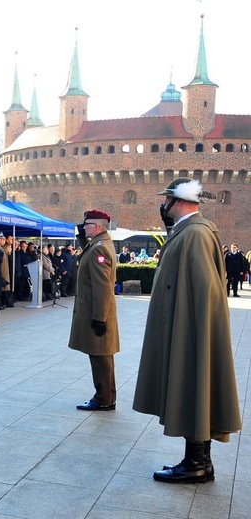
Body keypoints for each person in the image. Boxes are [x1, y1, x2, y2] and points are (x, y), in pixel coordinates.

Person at [133, 178, 241, 484]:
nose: (163, 206)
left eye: (166, 201)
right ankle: (198, 461)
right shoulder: (189, 231)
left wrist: (191, 332)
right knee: (196, 390)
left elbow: (203, 289)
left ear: (178, 201)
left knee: (196, 388)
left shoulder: (194, 233)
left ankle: (196, 463)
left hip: (192, 330)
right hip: (190, 327)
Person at [68, 210, 120, 412]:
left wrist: (99, 317)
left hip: (97, 312)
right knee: (102, 356)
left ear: (97, 226)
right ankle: (107, 397)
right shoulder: (100, 244)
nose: (84, 226)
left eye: (86, 224)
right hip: (99, 310)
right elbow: (88, 253)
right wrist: (82, 237)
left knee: (100, 357)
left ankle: (103, 399)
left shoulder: (100, 249)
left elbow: (102, 287)